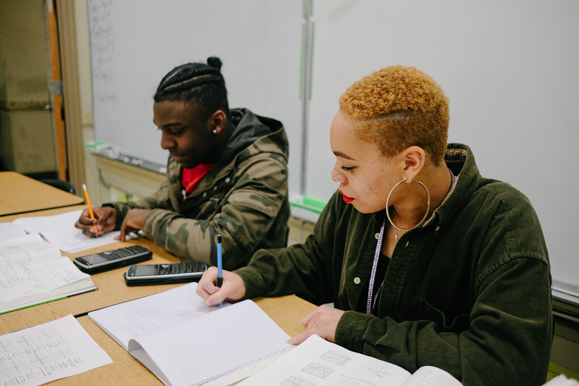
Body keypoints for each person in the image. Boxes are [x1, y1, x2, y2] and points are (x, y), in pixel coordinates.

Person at [197, 66, 553, 385]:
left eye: (349, 166)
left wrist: (351, 328)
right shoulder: (361, 200)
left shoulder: (502, 220)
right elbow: (316, 261)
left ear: (410, 163)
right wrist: (248, 278)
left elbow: (510, 364)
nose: (336, 177)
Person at [75, 57, 290, 269]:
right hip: (194, 280)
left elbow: (224, 246)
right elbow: (166, 200)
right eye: (161, 130)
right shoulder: (191, 152)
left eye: (175, 131)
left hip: (254, 296)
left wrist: (149, 221)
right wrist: (117, 213)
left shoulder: (264, 164)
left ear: (216, 122)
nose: (164, 143)